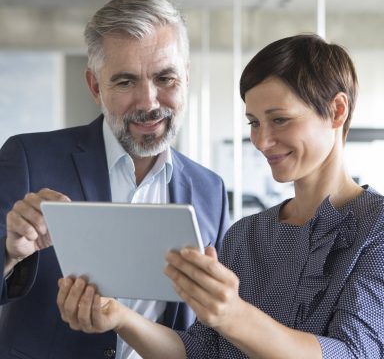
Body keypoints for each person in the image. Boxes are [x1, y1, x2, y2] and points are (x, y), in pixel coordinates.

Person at [57, 33, 384, 358]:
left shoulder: (376, 228)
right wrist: (119, 317)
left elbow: (353, 353)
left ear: (337, 110)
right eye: (254, 123)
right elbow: (199, 352)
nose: (261, 140)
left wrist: (233, 315)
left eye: (279, 120)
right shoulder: (245, 234)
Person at [0, 0, 230, 359]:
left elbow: (207, 328)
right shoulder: (28, 158)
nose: (149, 102)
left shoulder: (210, 190)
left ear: (185, 77)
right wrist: (9, 254)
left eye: (165, 78)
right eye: (125, 82)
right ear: (95, 86)